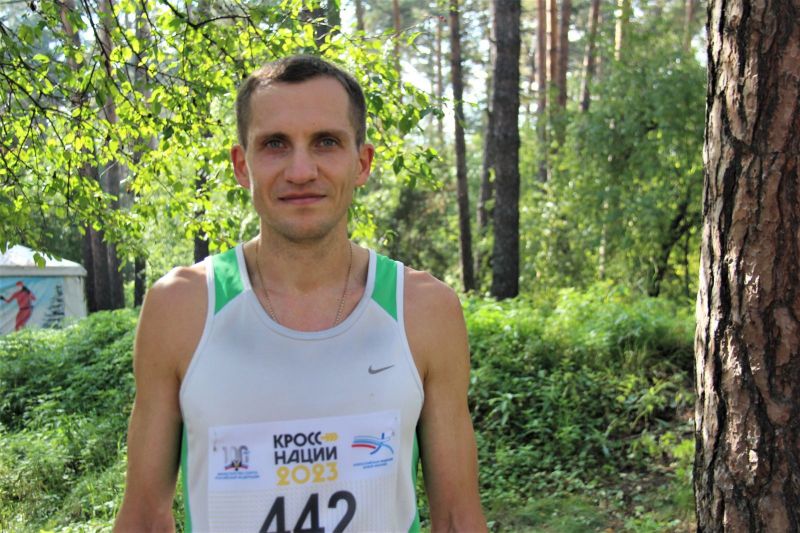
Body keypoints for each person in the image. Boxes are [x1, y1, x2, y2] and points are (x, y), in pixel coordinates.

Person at [114, 55, 486, 532]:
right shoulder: (181, 307)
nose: (302, 170)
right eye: (275, 144)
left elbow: (457, 519)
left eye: (326, 142)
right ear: (242, 165)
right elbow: (144, 518)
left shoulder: (424, 310)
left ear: (362, 163)